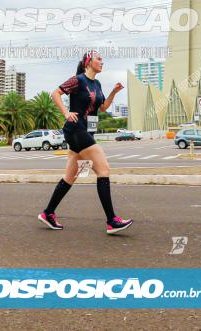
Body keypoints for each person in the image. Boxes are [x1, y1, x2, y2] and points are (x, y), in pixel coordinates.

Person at [38, 51, 134, 234]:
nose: (102, 62)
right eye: (99, 59)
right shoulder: (78, 80)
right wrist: (66, 113)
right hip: (75, 130)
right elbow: (55, 93)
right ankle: (112, 221)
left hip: (85, 132)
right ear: (88, 62)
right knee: (103, 169)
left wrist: (114, 92)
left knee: (70, 176)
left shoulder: (96, 84)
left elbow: (103, 107)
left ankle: (48, 213)